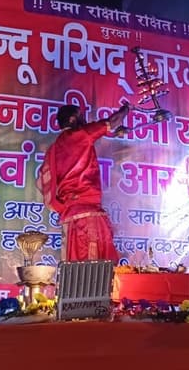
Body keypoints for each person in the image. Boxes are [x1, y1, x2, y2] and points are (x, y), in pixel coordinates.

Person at [37, 103, 129, 262]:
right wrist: (127, 108)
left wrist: (62, 205)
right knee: (95, 267)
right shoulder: (81, 134)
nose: (85, 120)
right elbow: (113, 121)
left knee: (74, 265)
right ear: (72, 119)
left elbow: (41, 182)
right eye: (81, 116)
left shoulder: (54, 148)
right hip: (88, 216)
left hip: (70, 217)